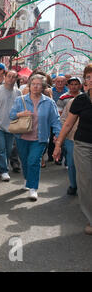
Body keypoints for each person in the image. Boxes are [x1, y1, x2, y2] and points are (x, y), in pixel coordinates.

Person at [53, 64, 92, 235]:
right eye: (88, 77)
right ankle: (91, 218)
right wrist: (58, 144)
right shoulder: (80, 100)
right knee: (85, 181)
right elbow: (68, 123)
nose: (91, 80)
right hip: (83, 145)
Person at [10, 74, 62, 201]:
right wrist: (21, 113)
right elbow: (11, 115)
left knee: (34, 161)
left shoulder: (49, 102)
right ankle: (28, 179)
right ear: (30, 85)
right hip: (22, 137)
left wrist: (57, 135)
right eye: (33, 84)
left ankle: (33, 188)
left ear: (43, 87)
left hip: (40, 138)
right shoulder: (20, 100)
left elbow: (55, 120)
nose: (35, 86)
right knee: (25, 161)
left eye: (38, 84)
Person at [0, 70, 21, 181]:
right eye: (9, 76)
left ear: (16, 79)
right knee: (0, 148)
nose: (11, 79)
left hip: (11, 126)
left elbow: (19, 108)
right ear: (5, 77)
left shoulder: (18, 92)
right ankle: (4, 170)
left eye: (13, 77)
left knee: (8, 149)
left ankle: (1, 167)